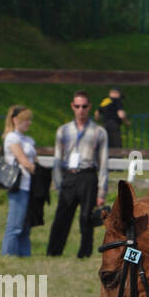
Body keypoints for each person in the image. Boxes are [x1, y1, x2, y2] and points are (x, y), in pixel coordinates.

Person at [47, 90, 108, 259]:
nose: (81, 110)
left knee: (86, 217)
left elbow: (103, 163)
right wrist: (58, 183)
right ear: (72, 107)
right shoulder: (63, 130)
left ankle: (85, 252)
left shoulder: (99, 132)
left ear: (89, 107)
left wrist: (101, 191)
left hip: (88, 175)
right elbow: (58, 159)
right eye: (77, 106)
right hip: (69, 176)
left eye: (84, 106)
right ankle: (53, 251)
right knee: (62, 216)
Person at [1, 104, 37, 257]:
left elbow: (35, 159)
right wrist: (37, 170)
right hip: (18, 184)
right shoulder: (12, 137)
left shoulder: (28, 139)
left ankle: (24, 254)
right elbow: (24, 161)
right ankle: (9, 253)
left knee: (25, 224)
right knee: (15, 223)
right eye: (24, 120)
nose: (27, 123)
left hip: (29, 185)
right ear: (15, 120)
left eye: (29, 120)